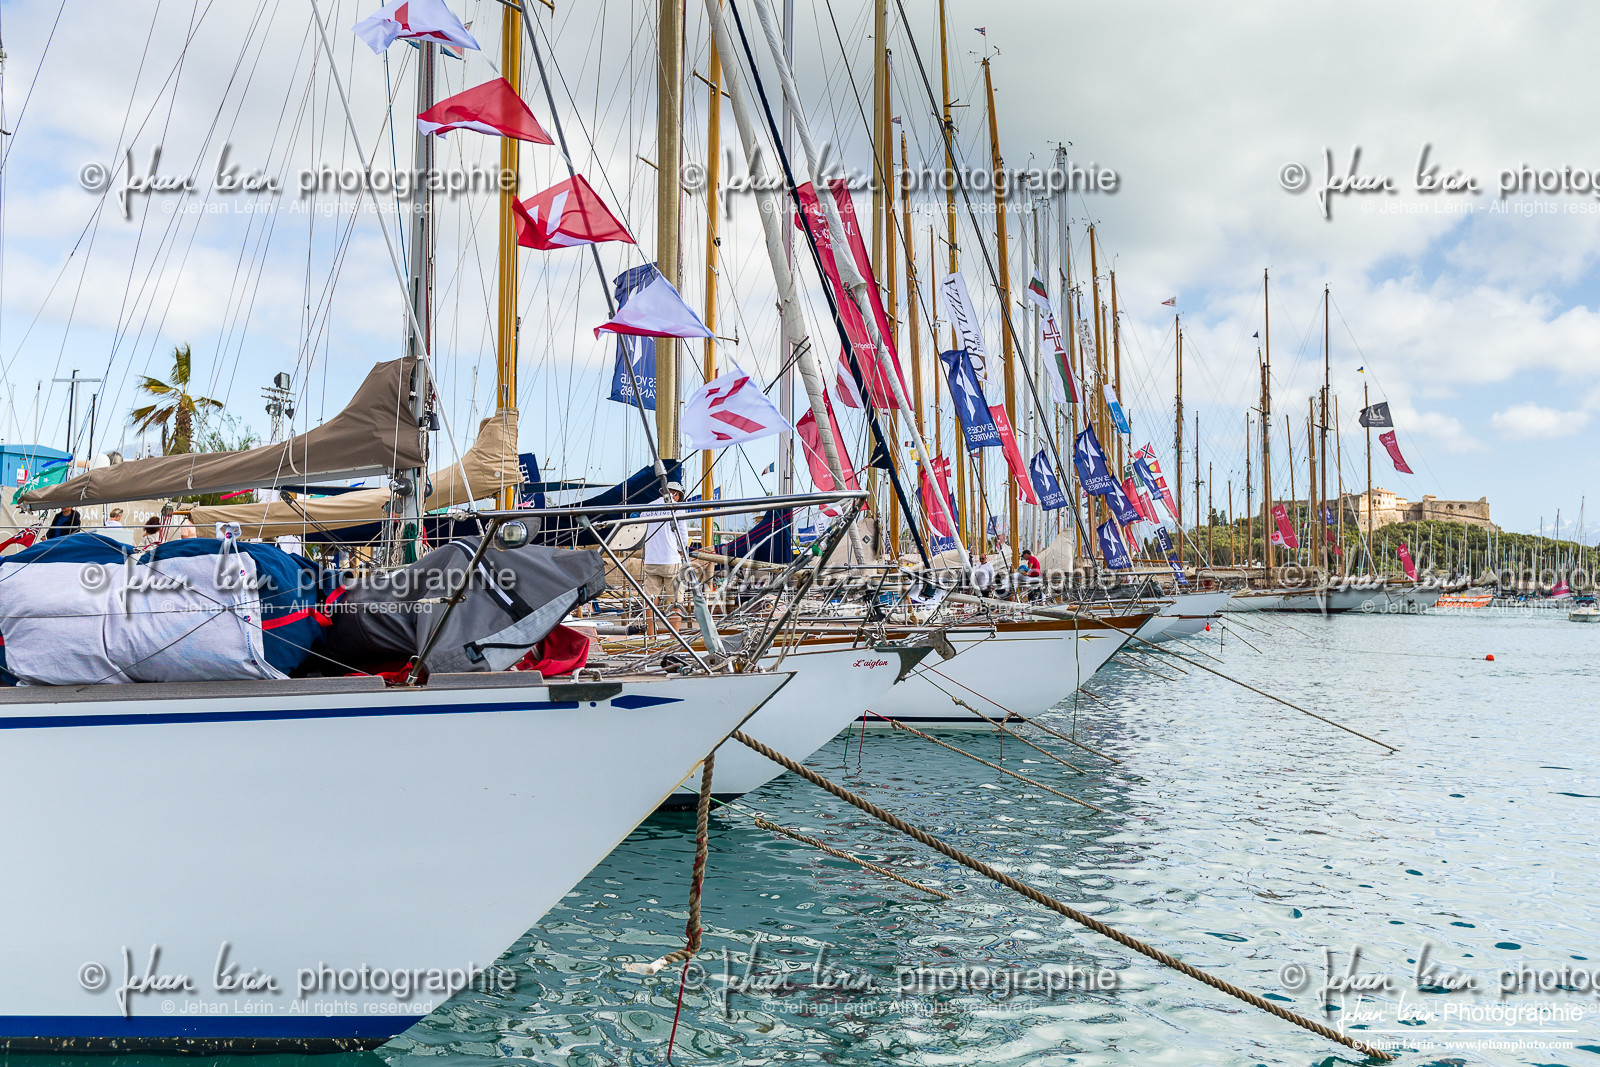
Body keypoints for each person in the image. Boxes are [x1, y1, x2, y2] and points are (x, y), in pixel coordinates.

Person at [639, 482, 689, 632]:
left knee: (650, 600)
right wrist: (680, 551)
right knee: (676, 601)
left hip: (651, 560)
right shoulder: (677, 508)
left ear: (663, 492)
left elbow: (641, 532)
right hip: (670, 559)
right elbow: (683, 537)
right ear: (677, 494)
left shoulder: (647, 508)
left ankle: (651, 637)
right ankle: (674, 638)